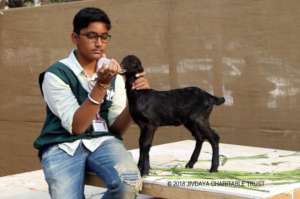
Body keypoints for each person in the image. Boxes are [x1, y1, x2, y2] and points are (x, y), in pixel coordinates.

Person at [33, 7, 150, 199]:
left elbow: (116, 128)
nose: (99, 43)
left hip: (103, 141)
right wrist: (101, 85)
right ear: (75, 37)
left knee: (128, 183)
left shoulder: (114, 73)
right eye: (91, 36)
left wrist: (135, 99)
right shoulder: (56, 74)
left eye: (104, 37)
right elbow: (77, 127)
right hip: (62, 144)